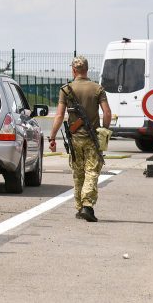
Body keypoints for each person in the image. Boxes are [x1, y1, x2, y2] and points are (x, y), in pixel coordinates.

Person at [48, 56, 112, 222]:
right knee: (92, 171)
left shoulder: (66, 89)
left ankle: (79, 207)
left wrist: (52, 136)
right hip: (92, 138)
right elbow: (107, 113)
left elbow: (60, 115)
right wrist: (105, 130)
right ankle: (87, 205)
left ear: (74, 70)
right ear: (87, 69)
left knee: (78, 173)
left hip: (75, 138)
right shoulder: (98, 88)